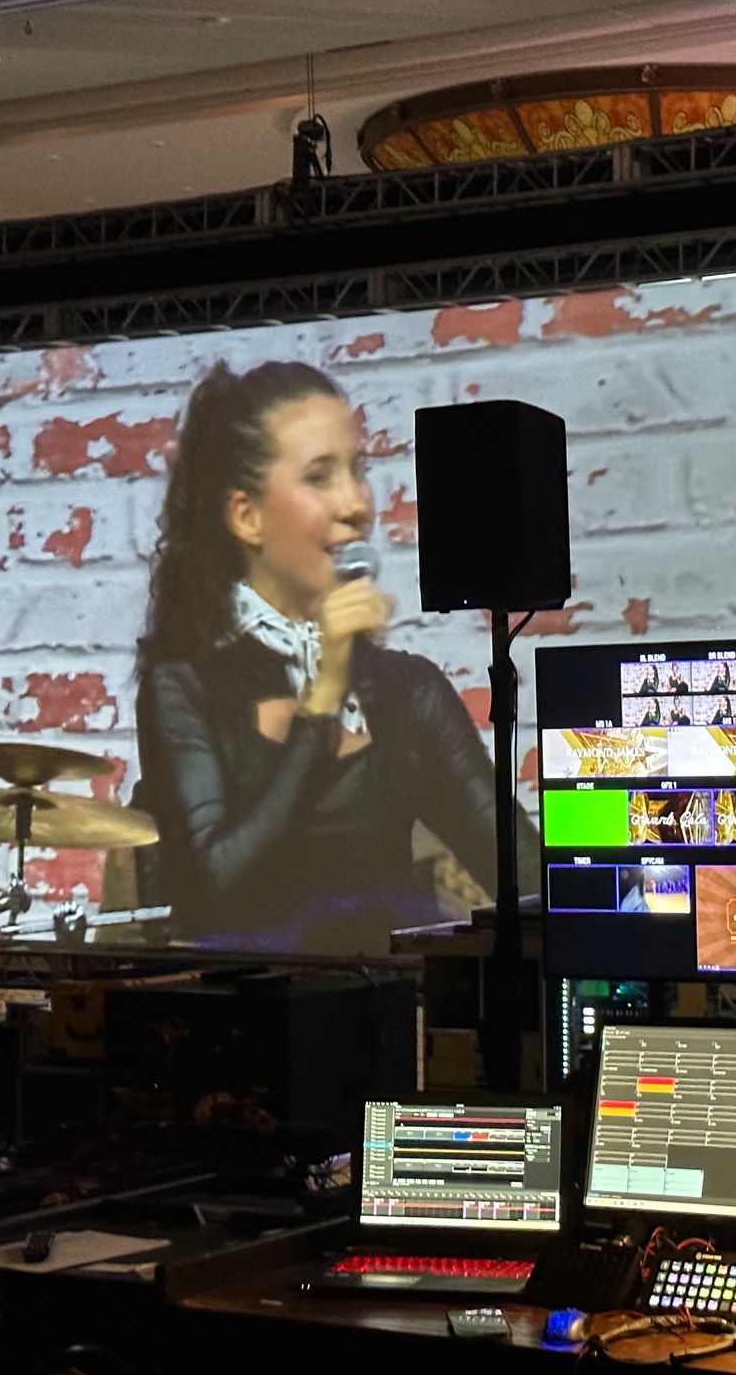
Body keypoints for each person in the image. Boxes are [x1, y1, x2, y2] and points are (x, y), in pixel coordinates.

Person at [136, 361, 507, 949]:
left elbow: (526, 878)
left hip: (383, 1018)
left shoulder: (407, 691)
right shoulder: (184, 687)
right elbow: (212, 889)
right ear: (246, 516)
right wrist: (324, 694)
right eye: (319, 477)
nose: (356, 504)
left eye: (357, 472)